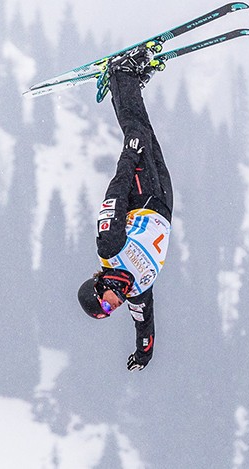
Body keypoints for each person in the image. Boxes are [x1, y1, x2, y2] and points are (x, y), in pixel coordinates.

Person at [77, 44, 173, 371]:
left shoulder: (109, 247)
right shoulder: (137, 293)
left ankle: (121, 74)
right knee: (148, 134)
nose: (112, 307)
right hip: (164, 206)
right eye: (108, 311)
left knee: (137, 136)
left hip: (141, 196)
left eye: (105, 303)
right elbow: (145, 327)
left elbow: (115, 194)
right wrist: (142, 355)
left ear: (99, 286)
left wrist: (129, 157)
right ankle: (130, 85)